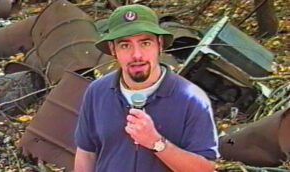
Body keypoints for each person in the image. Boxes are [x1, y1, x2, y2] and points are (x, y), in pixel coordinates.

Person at [74, 4, 219, 172]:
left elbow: (205, 168)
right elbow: (86, 153)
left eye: (145, 43)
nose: (137, 55)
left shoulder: (191, 99)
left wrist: (156, 142)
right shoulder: (97, 92)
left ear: (160, 45)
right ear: (113, 50)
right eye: (125, 45)